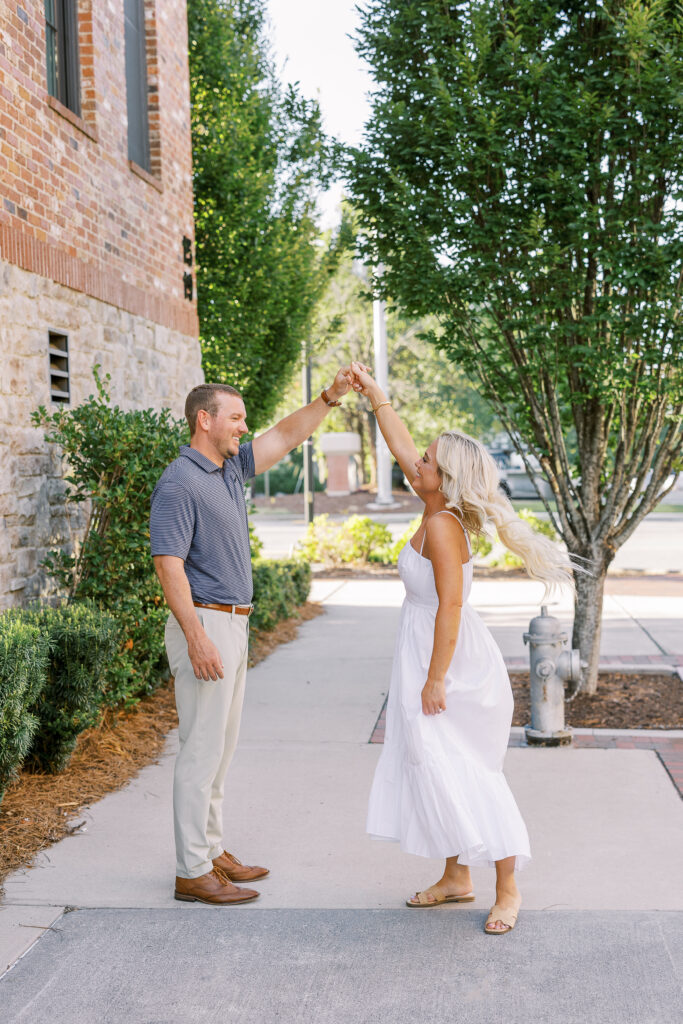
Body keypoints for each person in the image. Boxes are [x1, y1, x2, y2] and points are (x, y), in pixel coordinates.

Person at [350, 362, 574, 935]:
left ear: (443, 479)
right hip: (428, 653)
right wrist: (376, 395)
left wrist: (434, 679)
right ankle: (456, 877)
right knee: (436, 769)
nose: (414, 462)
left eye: (426, 460)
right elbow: (400, 445)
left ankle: (507, 886)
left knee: (468, 772)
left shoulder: (445, 527)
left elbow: (449, 608)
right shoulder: (432, 506)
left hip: (453, 667)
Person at [150, 372, 352, 905]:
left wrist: (329, 397)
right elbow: (168, 563)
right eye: (235, 417)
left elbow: (286, 435)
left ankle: (211, 851)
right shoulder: (180, 481)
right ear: (205, 419)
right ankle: (192, 871)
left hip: (233, 622)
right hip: (206, 622)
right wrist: (196, 635)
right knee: (201, 751)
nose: (245, 425)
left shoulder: (230, 469)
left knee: (221, 749)